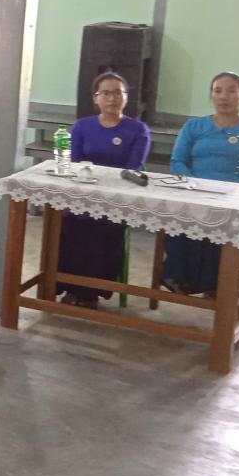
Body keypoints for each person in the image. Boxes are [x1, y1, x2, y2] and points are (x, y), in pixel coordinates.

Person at [161, 72, 239, 297]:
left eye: (231, 91)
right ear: (211, 95)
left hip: (233, 198)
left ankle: (212, 284)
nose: (223, 96)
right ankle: (177, 276)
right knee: (177, 217)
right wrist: (194, 185)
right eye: (217, 90)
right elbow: (178, 161)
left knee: (221, 223)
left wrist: (231, 192)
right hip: (194, 192)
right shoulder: (194, 126)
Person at [48, 73, 155, 307]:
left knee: (101, 231)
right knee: (69, 227)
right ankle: (68, 287)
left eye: (118, 93)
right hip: (81, 195)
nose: (112, 98)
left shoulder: (138, 130)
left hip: (115, 200)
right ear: (96, 98)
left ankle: (90, 293)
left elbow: (132, 168)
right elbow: (74, 162)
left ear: (126, 97)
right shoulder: (82, 126)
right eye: (105, 93)